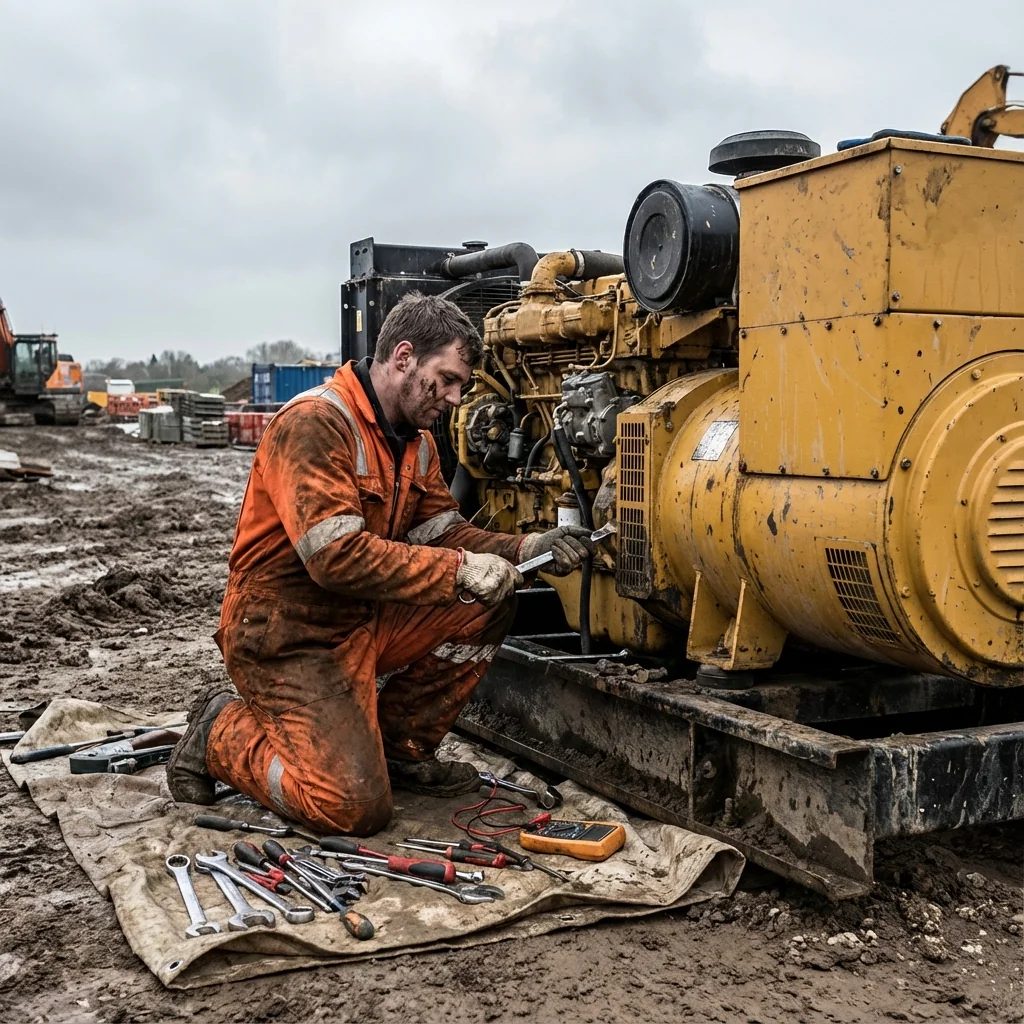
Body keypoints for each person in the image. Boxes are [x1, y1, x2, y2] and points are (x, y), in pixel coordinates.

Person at [166, 293, 595, 835]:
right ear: (403, 356)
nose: (457, 399)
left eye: (462, 385)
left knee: (488, 601)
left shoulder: (416, 444)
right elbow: (333, 558)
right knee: (351, 808)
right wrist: (457, 569)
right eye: (448, 379)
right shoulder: (316, 424)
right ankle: (219, 733)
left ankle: (401, 751)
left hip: (360, 619)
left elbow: (445, 533)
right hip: (287, 634)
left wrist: (526, 550)